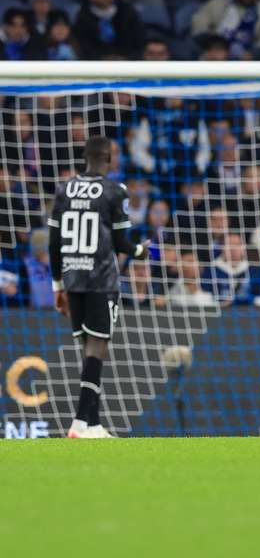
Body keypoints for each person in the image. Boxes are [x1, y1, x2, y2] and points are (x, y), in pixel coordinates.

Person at [48, 137, 149, 438]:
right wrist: (142, 252)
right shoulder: (114, 191)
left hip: (72, 278)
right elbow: (121, 243)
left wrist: (58, 284)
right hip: (101, 280)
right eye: (115, 154)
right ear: (106, 157)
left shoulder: (64, 189)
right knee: (97, 347)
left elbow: (54, 243)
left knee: (90, 350)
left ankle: (92, 423)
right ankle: (80, 421)